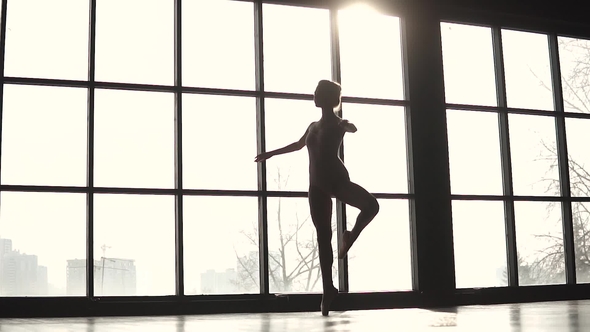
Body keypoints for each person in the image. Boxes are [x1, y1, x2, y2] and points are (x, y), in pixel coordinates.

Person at [254, 80, 379, 316]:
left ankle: (351, 236)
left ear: (325, 97)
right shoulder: (312, 126)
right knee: (323, 236)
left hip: (338, 181)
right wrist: (269, 154)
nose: (313, 96)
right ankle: (327, 290)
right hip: (317, 186)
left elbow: (351, 127)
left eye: (316, 93)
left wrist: (348, 125)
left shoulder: (339, 123)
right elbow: (298, 144)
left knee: (372, 206)